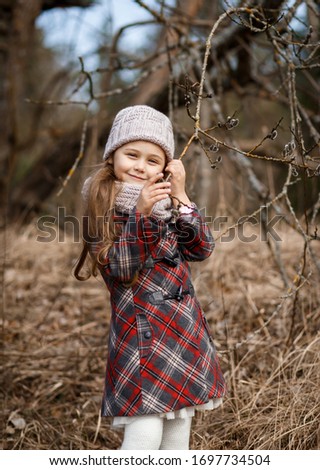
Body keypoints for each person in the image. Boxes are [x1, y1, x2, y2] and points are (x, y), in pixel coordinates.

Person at [75, 105, 226, 450]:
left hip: (184, 334)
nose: (141, 166)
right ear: (113, 155)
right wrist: (141, 214)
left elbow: (202, 249)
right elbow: (120, 268)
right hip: (141, 338)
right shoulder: (103, 205)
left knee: (177, 432)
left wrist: (181, 197)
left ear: (165, 167)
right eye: (132, 155)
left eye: (152, 160)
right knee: (145, 433)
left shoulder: (166, 203)